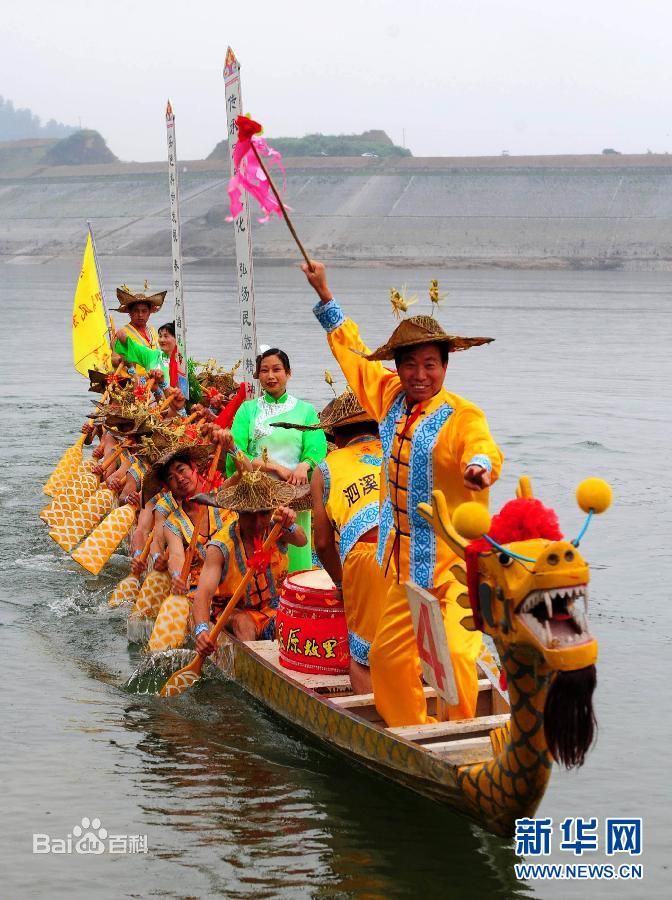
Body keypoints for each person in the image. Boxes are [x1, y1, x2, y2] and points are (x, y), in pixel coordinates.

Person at [302, 260, 503, 727]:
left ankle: (463, 732)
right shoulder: (389, 397)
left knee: (455, 653)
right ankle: (413, 734)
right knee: (389, 660)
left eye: (429, 364)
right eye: (409, 364)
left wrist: (480, 469)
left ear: (445, 366)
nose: (419, 374)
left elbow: (482, 447)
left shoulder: (460, 414)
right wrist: (326, 296)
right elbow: (353, 357)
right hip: (397, 567)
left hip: (450, 566)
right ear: (396, 367)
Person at [309, 390, 389, 694]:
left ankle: (376, 725)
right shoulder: (396, 451)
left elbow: (323, 544)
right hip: (410, 552)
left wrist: (342, 584)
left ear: (336, 436)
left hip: (366, 554)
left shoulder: (326, 469)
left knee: (363, 654)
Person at [227, 347, 327, 572]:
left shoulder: (305, 410)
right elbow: (237, 452)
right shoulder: (247, 410)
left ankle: (297, 598)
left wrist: (305, 465)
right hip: (256, 497)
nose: (270, 376)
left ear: (288, 373)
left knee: (297, 551)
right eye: (264, 370)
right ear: (258, 375)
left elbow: (317, 445)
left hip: (295, 493)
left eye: (276, 370)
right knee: (260, 557)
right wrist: (275, 468)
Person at [192, 468, 307, 650]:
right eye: (249, 515)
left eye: (263, 514)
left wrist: (289, 524)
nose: (257, 522)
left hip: (274, 607)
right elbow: (203, 595)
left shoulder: (276, 528)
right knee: (243, 623)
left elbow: (302, 540)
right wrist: (201, 630)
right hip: (235, 611)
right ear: (237, 511)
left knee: (297, 623)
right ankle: (255, 668)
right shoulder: (220, 547)